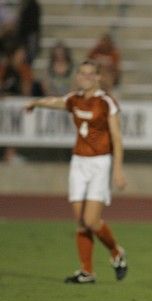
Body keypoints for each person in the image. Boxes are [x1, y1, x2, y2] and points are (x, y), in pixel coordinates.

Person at [25, 60, 128, 284]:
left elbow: (117, 139)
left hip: (100, 163)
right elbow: (56, 102)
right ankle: (87, 272)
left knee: (92, 220)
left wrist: (118, 170)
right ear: (78, 77)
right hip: (78, 163)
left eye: (91, 74)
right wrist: (36, 103)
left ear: (98, 77)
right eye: (82, 73)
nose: (86, 77)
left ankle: (116, 252)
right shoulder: (75, 99)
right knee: (81, 221)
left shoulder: (106, 102)